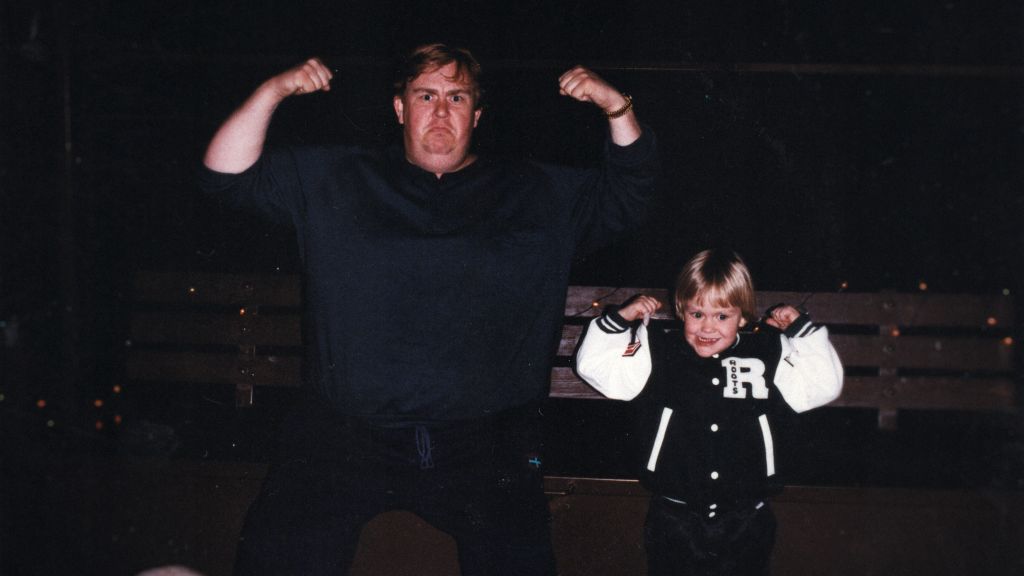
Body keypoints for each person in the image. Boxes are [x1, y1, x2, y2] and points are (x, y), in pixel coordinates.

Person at [199, 43, 658, 576]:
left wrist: (616, 108)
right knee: (276, 554)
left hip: (487, 439)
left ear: (477, 115)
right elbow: (223, 175)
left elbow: (633, 190)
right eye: (426, 95)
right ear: (400, 108)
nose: (441, 111)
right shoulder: (338, 177)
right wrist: (274, 90)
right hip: (346, 432)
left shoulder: (537, 191)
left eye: (457, 97)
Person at [575, 249, 843, 576]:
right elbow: (595, 368)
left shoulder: (768, 353)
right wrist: (621, 319)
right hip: (674, 514)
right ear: (681, 310)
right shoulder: (658, 352)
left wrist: (800, 330)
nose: (707, 327)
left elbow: (823, 385)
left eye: (722, 316)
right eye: (697, 314)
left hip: (747, 516)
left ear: (742, 317)